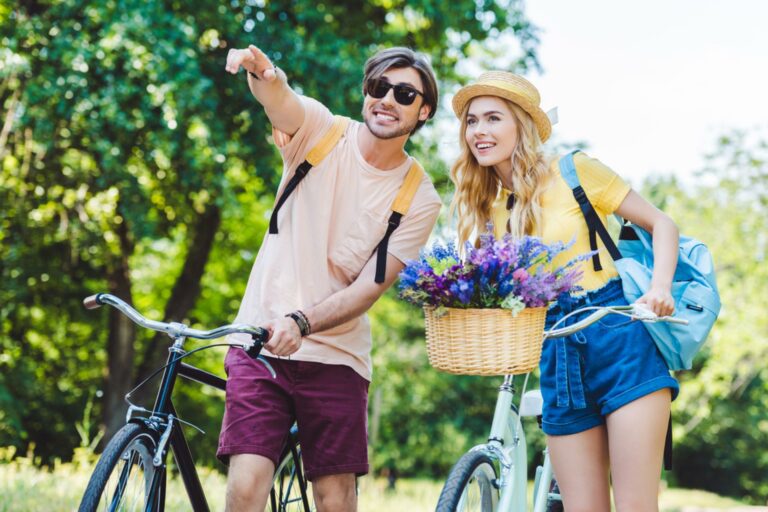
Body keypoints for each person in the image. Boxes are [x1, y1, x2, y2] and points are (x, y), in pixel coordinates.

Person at [219, 45, 442, 512]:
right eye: (379, 88)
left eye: (404, 94)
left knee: (335, 498)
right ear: (366, 93)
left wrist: (302, 322)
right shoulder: (322, 132)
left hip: (338, 357)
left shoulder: (418, 196)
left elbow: (368, 289)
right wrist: (265, 73)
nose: (387, 100)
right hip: (260, 338)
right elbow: (282, 102)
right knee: (245, 486)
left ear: (423, 111)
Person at [449, 71, 680, 512]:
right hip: (555, 350)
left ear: (522, 125)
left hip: (620, 334)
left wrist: (659, 289)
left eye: (493, 118)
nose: (479, 131)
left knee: (635, 505)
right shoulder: (490, 210)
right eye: (472, 121)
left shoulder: (573, 170)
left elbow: (662, 223)